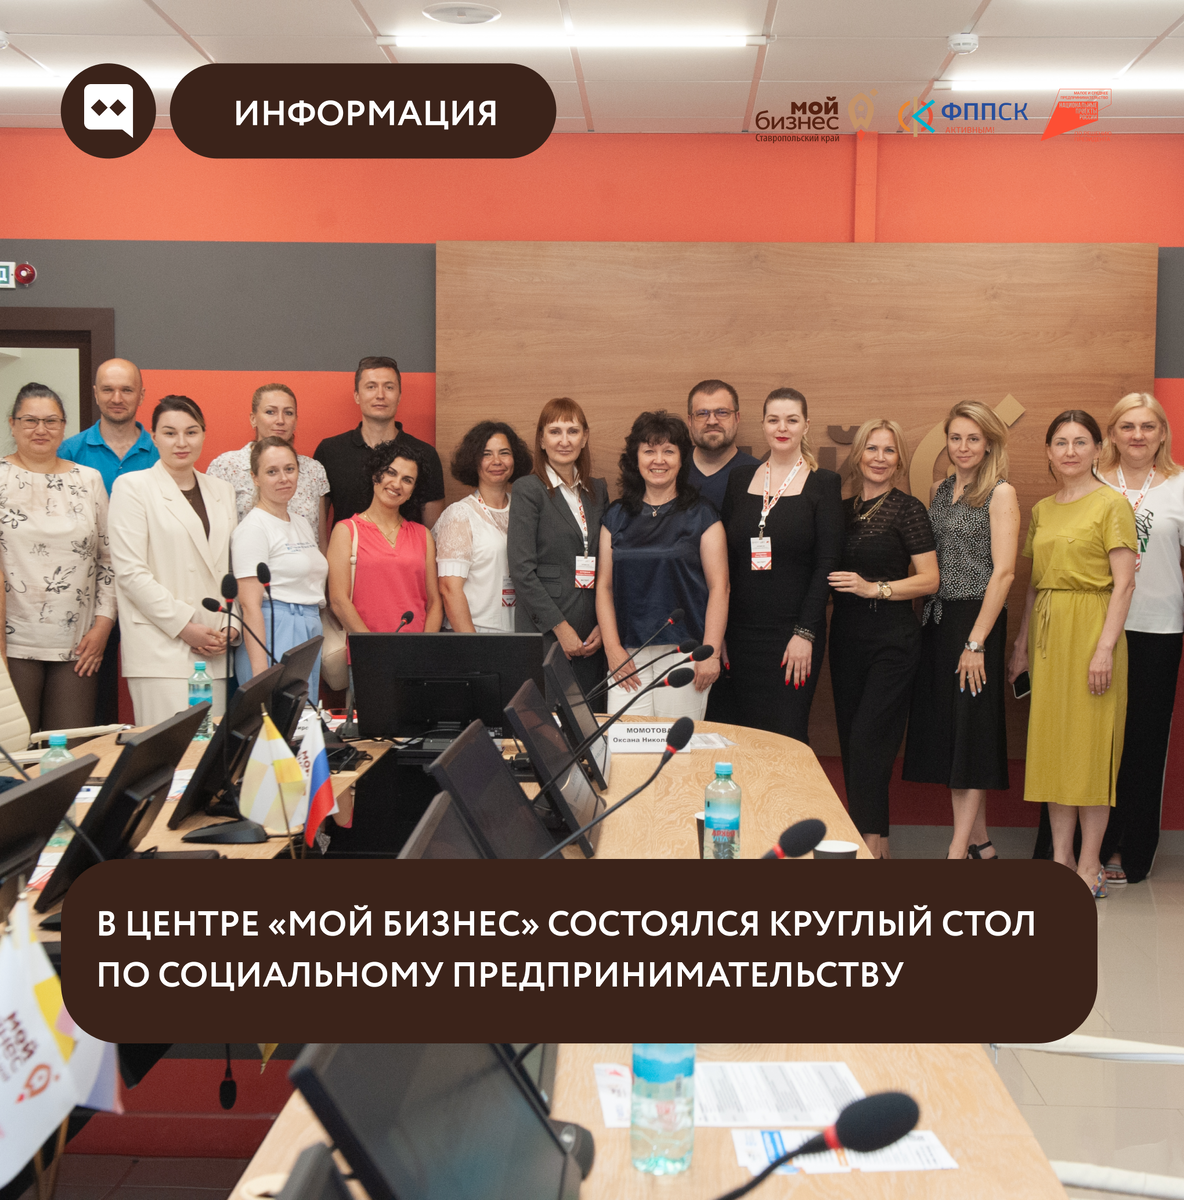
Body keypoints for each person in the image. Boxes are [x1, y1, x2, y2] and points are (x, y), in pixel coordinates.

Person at [1007, 411, 1136, 898]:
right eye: (1060, 442)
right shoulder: (1043, 509)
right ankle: (1059, 860)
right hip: (1048, 637)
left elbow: (1124, 585)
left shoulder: (1112, 504)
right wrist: (1021, 645)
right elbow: (1036, 584)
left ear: (1098, 449)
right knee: (1054, 752)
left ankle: (1089, 863)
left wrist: (1104, 649)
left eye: (1081, 442)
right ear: (1048, 451)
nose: (1070, 451)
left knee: (1089, 751)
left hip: (1092, 631)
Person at [903, 402, 1019, 860]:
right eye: (956, 438)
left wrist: (976, 641)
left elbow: (1004, 573)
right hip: (937, 621)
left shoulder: (1001, 492)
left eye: (973, 438)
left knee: (970, 733)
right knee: (956, 734)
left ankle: (955, 853)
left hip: (976, 621)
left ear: (988, 443)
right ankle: (981, 843)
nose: (963, 446)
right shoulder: (939, 489)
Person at [827, 419, 939, 860]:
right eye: (871, 449)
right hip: (846, 639)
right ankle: (878, 843)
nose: (879, 457)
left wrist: (876, 588)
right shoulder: (841, 510)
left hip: (893, 641)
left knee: (868, 742)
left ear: (899, 460)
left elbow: (930, 579)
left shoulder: (908, 509)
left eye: (889, 450)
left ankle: (867, 847)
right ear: (857, 455)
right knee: (853, 744)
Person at [705, 387, 843, 743]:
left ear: (806, 425)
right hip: (739, 634)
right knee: (739, 737)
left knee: (785, 736)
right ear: (763, 425)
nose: (782, 428)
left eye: (792, 420)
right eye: (774, 420)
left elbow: (826, 564)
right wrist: (719, 633)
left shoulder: (824, 483)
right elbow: (726, 560)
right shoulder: (740, 479)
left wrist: (805, 633)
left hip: (792, 635)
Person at [1093, 394, 1183, 884]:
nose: (1137, 435)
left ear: (1162, 433)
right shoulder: (1093, 480)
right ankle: (1091, 845)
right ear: (1111, 433)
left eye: (1148, 426)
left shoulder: (1180, 485)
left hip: (1157, 629)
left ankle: (1131, 847)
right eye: (1127, 426)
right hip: (1096, 627)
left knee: (1143, 744)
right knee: (1096, 740)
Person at [108, 396, 239, 725]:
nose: (182, 442)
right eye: (170, 433)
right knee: (169, 751)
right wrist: (185, 627)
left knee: (211, 751)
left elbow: (232, 568)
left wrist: (232, 625)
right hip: (161, 647)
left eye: (191, 432)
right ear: (153, 437)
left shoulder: (222, 490)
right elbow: (130, 573)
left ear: (203, 434)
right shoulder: (133, 487)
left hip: (215, 646)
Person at [597, 411, 728, 719]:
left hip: (685, 653)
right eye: (649, 451)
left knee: (676, 743)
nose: (659, 460)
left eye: (669, 451)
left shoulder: (702, 515)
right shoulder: (615, 516)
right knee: (626, 742)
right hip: (627, 653)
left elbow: (720, 587)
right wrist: (612, 649)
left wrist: (710, 651)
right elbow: (604, 587)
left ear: (682, 459)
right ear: (636, 458)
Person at [0, 383, 115, 731]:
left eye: (51, 421)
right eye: (30, 420)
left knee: (70, 752)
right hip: (12, 642)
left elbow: (109, 560)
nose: (41, 429)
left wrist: (103, 626)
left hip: (79, 645)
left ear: (64, 427)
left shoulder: (89, 480)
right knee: (13, 754)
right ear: (12, 424)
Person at [59, 357, 159, 723]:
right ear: (96, 393)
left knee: (154, 694)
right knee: (88, 699)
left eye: (127, 389)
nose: (117, 398)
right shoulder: (69, 452)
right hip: (88, 595)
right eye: (108, 389)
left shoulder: (161, 453)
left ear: (141, 395)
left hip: (148, 591)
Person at [507, 398, 608, 696]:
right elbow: (522, 570)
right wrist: (560, 629)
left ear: (584, 437)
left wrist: (605, 625)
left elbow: (608, 562)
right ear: (541, 440)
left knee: (591, 718)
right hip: (547, 633)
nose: (564, 441)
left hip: (593, 635)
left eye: (573, 431)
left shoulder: (598, 490)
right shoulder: (528, 489)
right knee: (547, 719)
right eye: (555, 432)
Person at [231, 437, 329, 696]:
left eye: (289, 469)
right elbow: (249, 605)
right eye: (272, 472)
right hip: (274, 628)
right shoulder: (253, 529)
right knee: (274, 717)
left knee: (302, 717)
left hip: (308, 628)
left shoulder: (300, 523)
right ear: (255, 478)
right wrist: (260, 674)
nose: (283, 478)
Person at [314, 356, 445, 530]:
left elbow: (434, 532)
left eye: (389, 387)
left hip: (407, 548)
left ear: (399, 396)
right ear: (357, 396)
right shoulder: (329, 451)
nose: (380, 395)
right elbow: (316, 525)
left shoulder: (425, 454)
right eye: (371, 387)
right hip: (346, 547)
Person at [327, 438, 442, 636]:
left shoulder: (423, 535)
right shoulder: (346, 531)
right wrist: (375, 648)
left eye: (407, 480)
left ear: (412, 491)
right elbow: (338, 601)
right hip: (366, 649)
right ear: (375, 475)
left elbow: (434, 603)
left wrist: (423, 648)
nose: (396, 484)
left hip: (415, 649)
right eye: (391, 472)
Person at [432, 421, 533, 632]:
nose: (497, 461)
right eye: (487, 454)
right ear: (473, 460)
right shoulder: (459, 515)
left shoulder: (525, 508)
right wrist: (474, 645)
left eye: (504, 453)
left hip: (520, 633)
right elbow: (449, 589)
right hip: (475, 633)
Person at [207, 383, 331, 552]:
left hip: (305, 565)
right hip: (248, 565)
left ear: (295, 421)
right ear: (253, 418)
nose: (280, 420)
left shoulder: (313, 470)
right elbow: (214, 536)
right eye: (270, 412)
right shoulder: (225, 467)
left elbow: (320, 540)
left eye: (288, 413)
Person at [685, 379, 759, 512]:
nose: (712, 421)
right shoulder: (671, 468)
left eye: (722, 412)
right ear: (690, 421)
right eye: (702, 414)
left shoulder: (759, 474)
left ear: (737, 418)